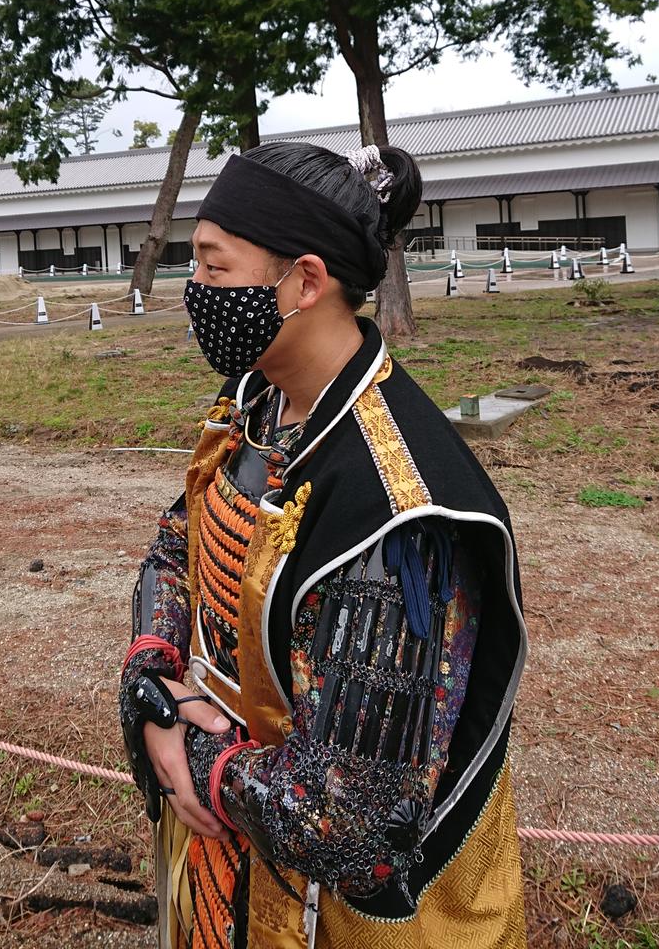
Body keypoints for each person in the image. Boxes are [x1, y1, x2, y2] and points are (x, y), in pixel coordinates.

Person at [119, 142, 528, 949]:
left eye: (212, 265)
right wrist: (153, 674)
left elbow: (355, 823)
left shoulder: (399, 517)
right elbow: (179, 541)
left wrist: (197, 758)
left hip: (335, 919)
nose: (194, 290)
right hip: (224, 865)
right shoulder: (258, 399)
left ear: (305, 282)